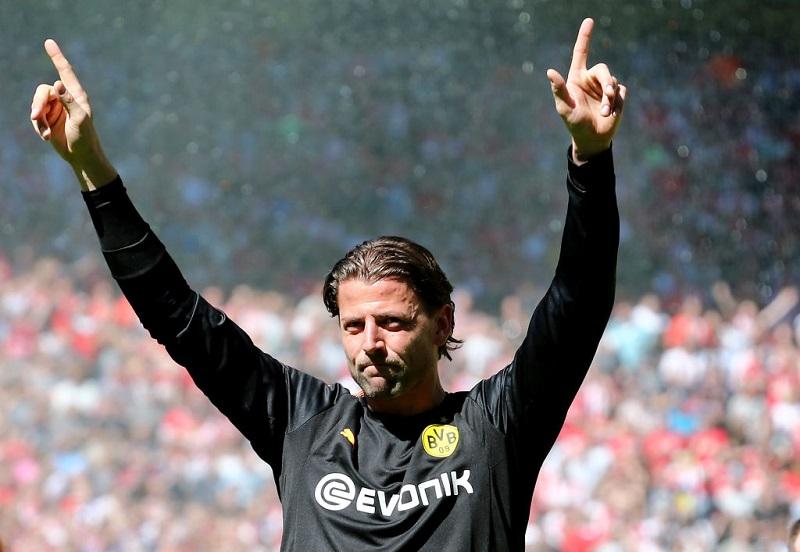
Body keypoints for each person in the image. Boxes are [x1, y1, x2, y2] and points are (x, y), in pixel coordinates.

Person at [30, 18, 625, 551]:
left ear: (442, 323)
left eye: (392, 322)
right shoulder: (300, 422)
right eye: (354, 325)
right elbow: (178, 317)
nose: (370, 342)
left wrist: (590, 158)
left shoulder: (495, 425)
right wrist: (92, 168)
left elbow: (578, 303)